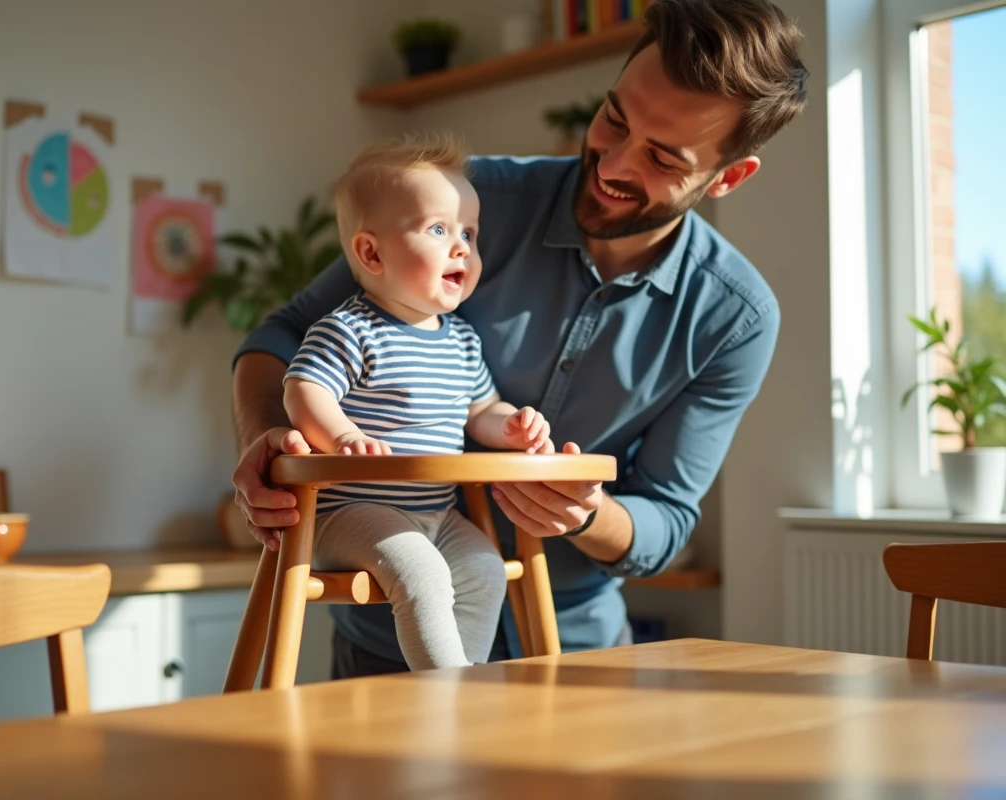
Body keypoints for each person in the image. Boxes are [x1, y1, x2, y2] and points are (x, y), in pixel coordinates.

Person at [230, 0, 809, 678]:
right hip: (381, 633)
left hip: (577, 652)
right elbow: (284, 333)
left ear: (728, 177)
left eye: (660, 157)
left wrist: (589, 513)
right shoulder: (466, 204)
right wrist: (268, 437)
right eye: (614, 118)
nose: (613, 163)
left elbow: (667, 519)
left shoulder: (733, 317)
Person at [284, 134, 553, 670]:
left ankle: (463, 682)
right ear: (371, 252)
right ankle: (445, 691)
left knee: (485, 569)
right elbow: (303, 388)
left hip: (436, 511)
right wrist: (342, 436)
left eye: (469, 235)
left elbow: (481, 411)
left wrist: (513, 427)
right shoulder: (349, 329)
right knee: (425, 575)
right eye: (439, 230)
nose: (462, 249)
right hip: (352, 513)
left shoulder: (462, 340)